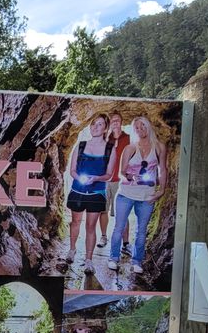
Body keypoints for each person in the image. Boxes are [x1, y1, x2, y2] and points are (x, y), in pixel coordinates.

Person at [109, 114, 167, 275]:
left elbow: (163, 169)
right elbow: (122, 172)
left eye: (143, 126)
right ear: (133, 130)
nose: (140, 129)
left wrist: (161, 190)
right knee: (119, 227)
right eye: (137, 127)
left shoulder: (159, 147)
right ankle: (113, 258)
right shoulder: (130, 148)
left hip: (147, 196)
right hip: (126, 194)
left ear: (148, 127)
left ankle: (137, 261)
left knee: (141, 231)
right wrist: (131, 176)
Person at [66, 114, 119, 273]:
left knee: (91, 226)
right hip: (78, 190)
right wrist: (80, 179)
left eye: (100, 124)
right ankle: (72, 249)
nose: (95, 127)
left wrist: (96, 178)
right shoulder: (80, 146)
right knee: (75, 222)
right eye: (93, 124)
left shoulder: (110, 149)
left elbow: (109, 174)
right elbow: (72, 171)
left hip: (97, 192)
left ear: (105, 128)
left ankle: (89, 260)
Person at [100, 112, 132, 256]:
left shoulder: (128, 138)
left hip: (121, 181)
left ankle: (126, 244)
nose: (115, 123)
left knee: (123, 213)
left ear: (121, 122)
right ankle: (103, 236)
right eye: (112, 121)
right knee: (103, 209)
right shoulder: (106, 139)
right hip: (106, 180)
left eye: (117, 120)